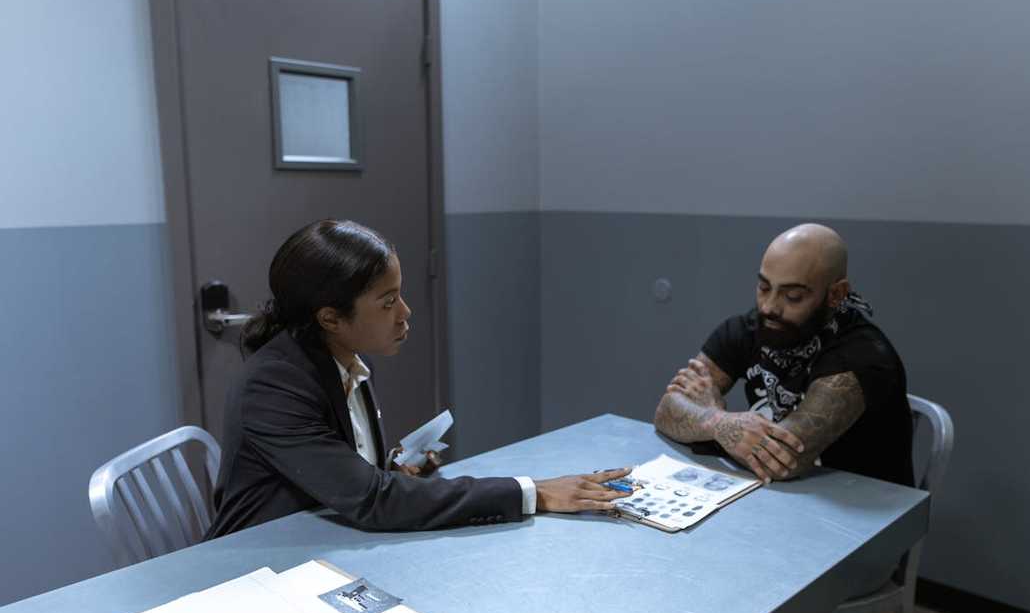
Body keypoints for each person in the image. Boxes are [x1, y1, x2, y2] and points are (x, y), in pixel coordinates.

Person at [204, 219, 630, 538]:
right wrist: (532, 492)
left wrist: (389, 469)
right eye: (388, 302)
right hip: (256, 569)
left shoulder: (340, 357)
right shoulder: (274, 385)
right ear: (330, 318)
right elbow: (373, 501)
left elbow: (344, 475)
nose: (405, 313)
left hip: (323, 536)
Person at [653, 223, 912, 487]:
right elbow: (666, 409)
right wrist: (718, 422)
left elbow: (782, 459)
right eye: (764, 288)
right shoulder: (750, 328)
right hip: (783, 499)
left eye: (793, 296)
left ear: (836, 294)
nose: (769, 307)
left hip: (862, 508)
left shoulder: (860, 356)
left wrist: (705, 417)